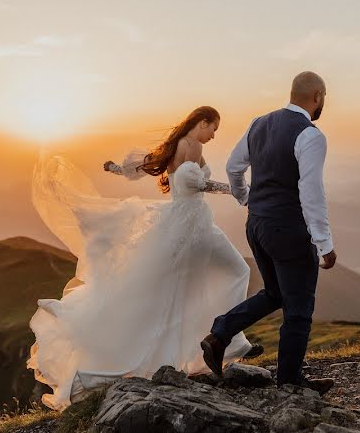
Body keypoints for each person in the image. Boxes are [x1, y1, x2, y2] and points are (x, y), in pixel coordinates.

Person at [27, 106, 261, 410]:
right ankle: (210, 346)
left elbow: (145, 164)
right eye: (213, 127)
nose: (214, 134)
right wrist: (239, 191)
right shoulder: (184, 146)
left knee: (232, 272)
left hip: (198, 225)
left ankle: (222, 341)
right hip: (185, 229)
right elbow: (199, 183)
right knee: (180, 292)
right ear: (201, 122)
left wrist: (115, 168)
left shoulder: (192, 146)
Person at [201, 72, 337, 395]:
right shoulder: (311, 136)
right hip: (288, 230)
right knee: (299, 309)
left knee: (275, 294)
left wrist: (246, 197)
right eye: (324, 98)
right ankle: (289, 383)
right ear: (317, 97)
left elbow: (234, 167)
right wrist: (324, 243)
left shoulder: (258, 124)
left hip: (257, 226)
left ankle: (219, 334)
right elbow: (311, 193)